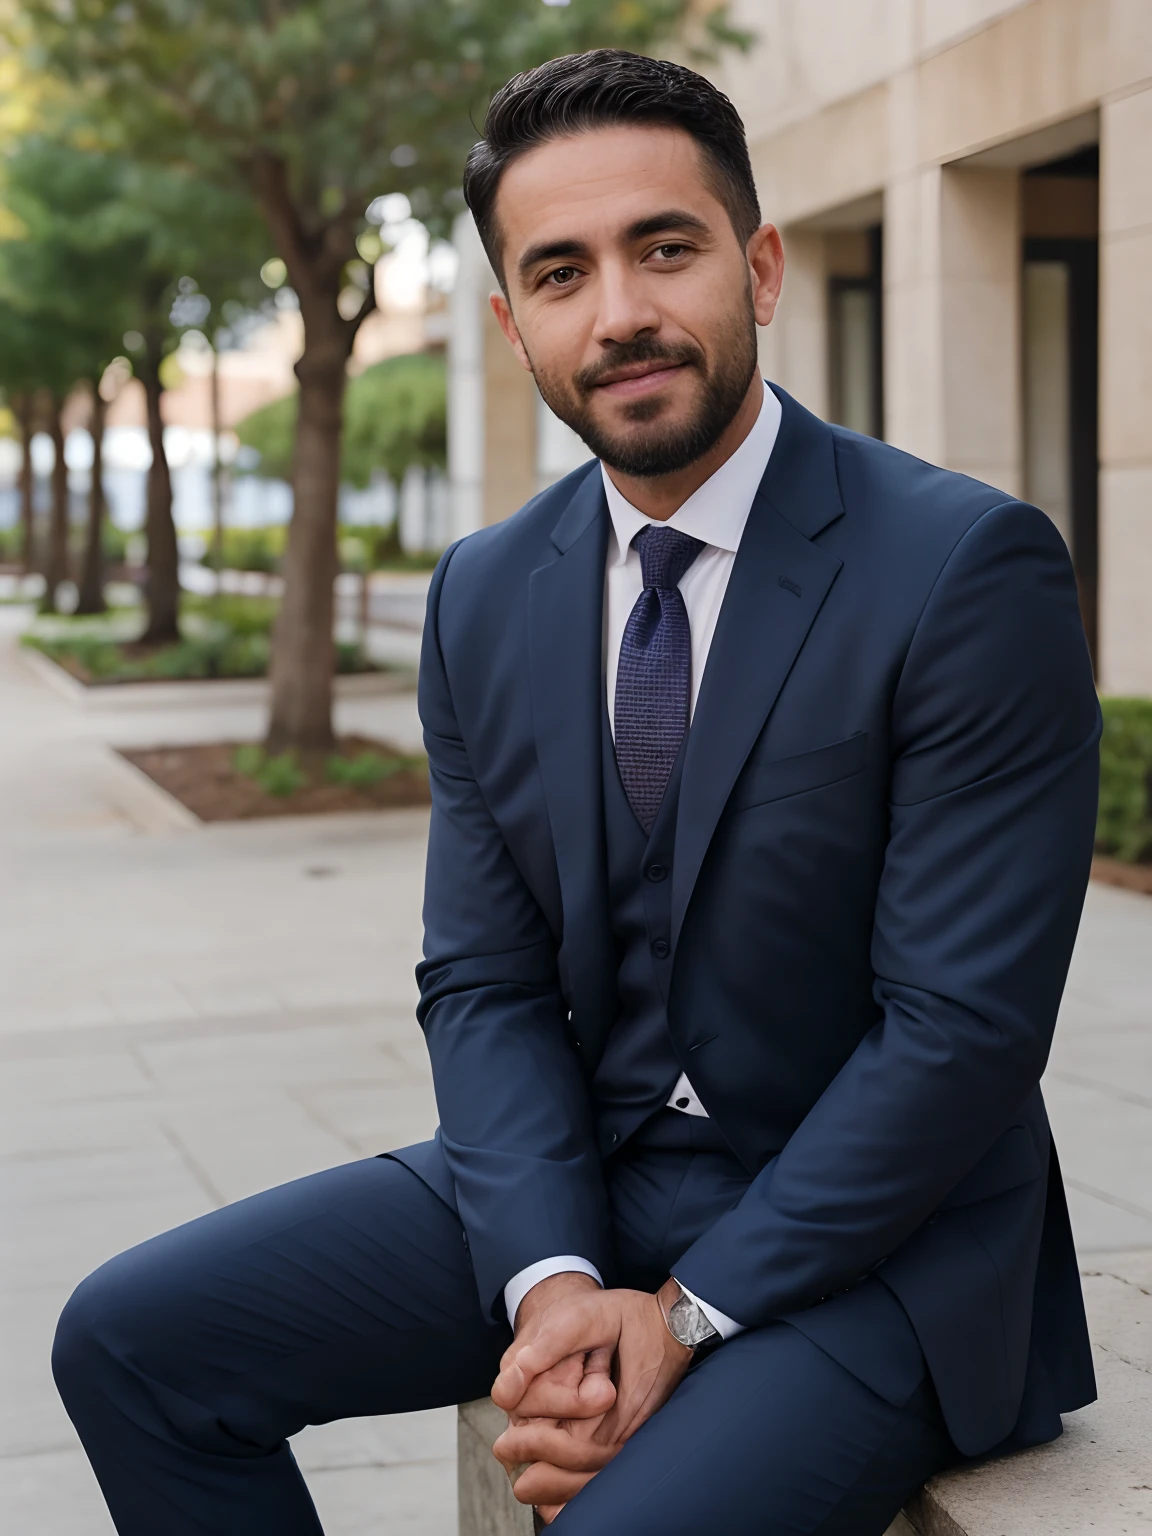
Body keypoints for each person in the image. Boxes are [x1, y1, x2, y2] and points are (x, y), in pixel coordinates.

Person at [52, 49, 1101, 1536]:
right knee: (133, 1342)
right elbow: (480, 979)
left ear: (760, 266)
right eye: (560, 273)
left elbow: (961, 1034)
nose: (619, 314)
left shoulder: (962, 567)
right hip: (600, 1176)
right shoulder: (485, 592)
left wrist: (679, 1317)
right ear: (512, 321)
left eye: (664, 250)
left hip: (891, 1242)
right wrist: (550, 1289)